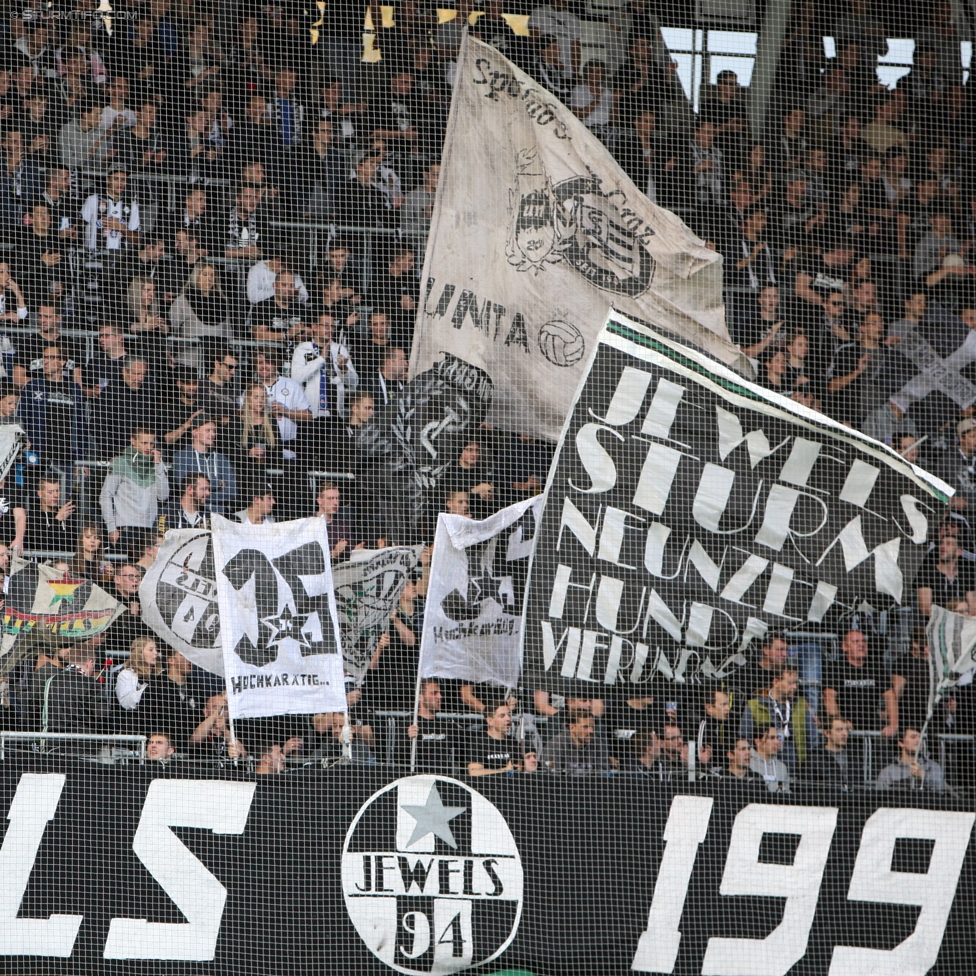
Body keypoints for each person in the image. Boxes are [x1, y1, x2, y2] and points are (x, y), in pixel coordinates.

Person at [740, 666, 819, 777]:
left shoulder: (801, 705)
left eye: (796, 683)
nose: (795, 687)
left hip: (798, 772)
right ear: (776, 682)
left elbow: (813, 739)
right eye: (791, 683)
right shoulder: (754, 705)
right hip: (763, 771)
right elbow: (745, 737)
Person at [99, 427, 169, 552]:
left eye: (151, 443)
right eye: (144, 443)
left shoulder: (157, 464)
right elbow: (105, 496)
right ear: (133, 441)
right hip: (125, 530)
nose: (148, 447)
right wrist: (111, 528)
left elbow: (163, 496)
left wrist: (158, 466)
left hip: (149, 529)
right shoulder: (121, 462)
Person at [171, 415, 236, 515]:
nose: (213, 434)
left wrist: (202, 494)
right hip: (193, 516)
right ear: (195, 432)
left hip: (219, 516)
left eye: (214, 431)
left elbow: (232, 491)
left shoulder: (222, 458)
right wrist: (218, 484)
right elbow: (185, 488)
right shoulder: (181, 457)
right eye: (208, 430)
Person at [39, 645, 110, 735]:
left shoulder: (51, 681)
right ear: (90, 662)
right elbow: (101, 712)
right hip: (82, 741)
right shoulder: (91, 684)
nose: (92, 670)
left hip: (53, 740)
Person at [916, 520, 976, 617]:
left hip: (963, 623)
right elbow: (925, 609)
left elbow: (973, 608)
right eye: (942, 543)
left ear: (959, 551)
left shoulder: (966, 574)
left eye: (948, 544)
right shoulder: (927, 573)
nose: (943, 547)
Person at [400, 679, 457, 773]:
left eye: (439, 693)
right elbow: (398, 759)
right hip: (417, 781)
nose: (440, 696)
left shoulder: (447, 726)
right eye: (434, 693)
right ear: (421, 697)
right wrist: (408, 741)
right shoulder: (409, 724)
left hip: (443, 782)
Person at [543, 708, 612, 774]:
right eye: (585, 727)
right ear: (572, 727)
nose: (591, 731)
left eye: (592, 727)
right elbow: (553, 778)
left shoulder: (599, 744)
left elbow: (604, 777)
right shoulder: (555, 745)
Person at [877, 727, 945, 792]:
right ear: (901, 743)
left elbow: (940, 790)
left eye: (920, 737)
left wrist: (923, 775)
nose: (918, 740)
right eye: (913, 737)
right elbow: (882, 798)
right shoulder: (888, 772)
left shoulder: (933, 766)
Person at [24, 475, 76, 553]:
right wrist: (57, 519)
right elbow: (42, 545)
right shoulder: (33, 516)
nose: (56, 495)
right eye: (50, 492)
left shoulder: (65, 512)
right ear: (40, 494)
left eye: (57, 491)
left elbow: (73, 543)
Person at [803, 716, 854, 791]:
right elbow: (806, 789)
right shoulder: (814, 758)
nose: (845, 733)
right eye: (839, 730)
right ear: (826, 733)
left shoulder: (853, 757)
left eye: (846, 730)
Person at [466, 701, 516, 776]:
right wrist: (505, 770)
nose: (508, 718)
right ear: (490, 721)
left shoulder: (513, 742)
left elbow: (517, 770)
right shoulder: (478, 743)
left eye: (509, 715)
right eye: (502, 716)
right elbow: (474, 773)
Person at [115, 635, 161, 714]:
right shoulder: (126, 674)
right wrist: (148, 690)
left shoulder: (161, 674)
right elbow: (125, 702)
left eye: (156, 650)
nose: (156, 653)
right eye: (151, 650)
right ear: (139, 652)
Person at [750, 723, 791, 793]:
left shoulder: (782, 767)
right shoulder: (748, 763)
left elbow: (787, 792)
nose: (777, 742)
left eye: (777, 738)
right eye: (771, 738)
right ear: (758, 742)